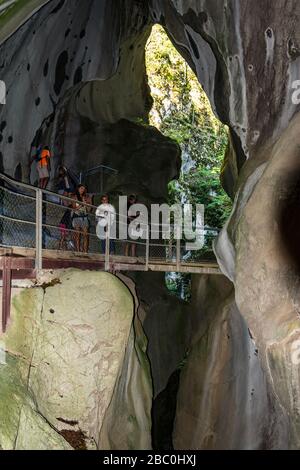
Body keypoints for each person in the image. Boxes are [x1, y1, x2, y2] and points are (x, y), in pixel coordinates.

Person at [71, 185, 92, 253]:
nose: (82, 190)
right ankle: (78, 250)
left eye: (84, 188)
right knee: (78, 235)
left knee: (86, 235)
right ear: (78, 188)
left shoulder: (86, 197)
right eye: (81, 188)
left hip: (84, 217)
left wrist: (88, 203)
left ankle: (85, 251)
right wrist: (81, 204)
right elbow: (73, 208)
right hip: (76, 216)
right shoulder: (74, 196)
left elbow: (89, 210)